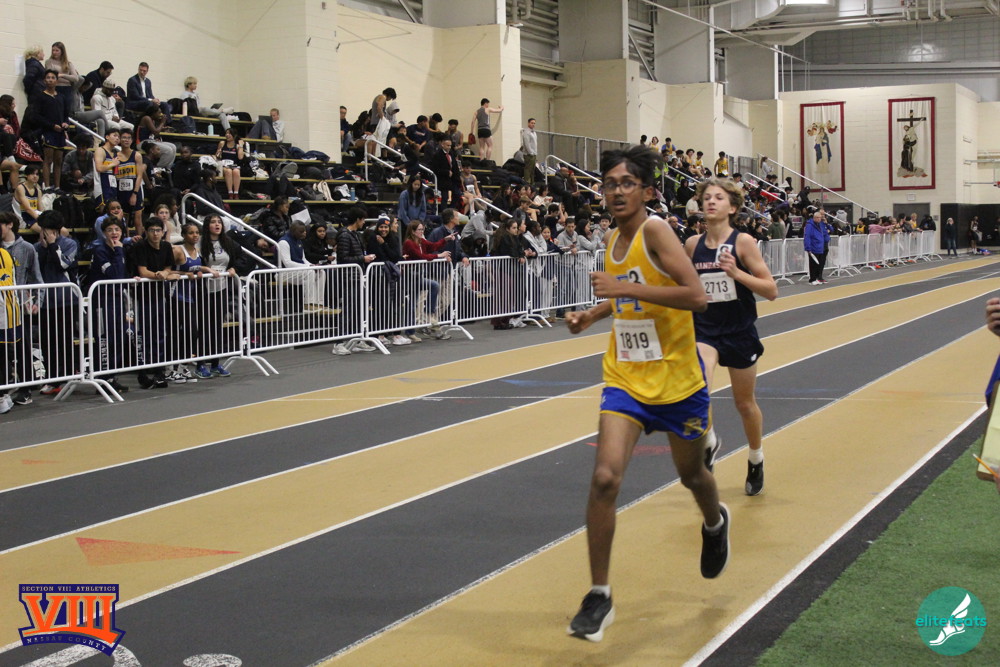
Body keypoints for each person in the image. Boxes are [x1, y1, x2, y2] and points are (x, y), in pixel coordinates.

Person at [565, 146, 727, 643]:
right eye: (609, 184)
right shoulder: (612, 238)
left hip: (678, 384)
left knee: (692, 476)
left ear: (647, 191)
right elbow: (628, 293)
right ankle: (599, 595)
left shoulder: (656, 231)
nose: (616, 192)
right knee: (605, 478)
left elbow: (696, 296)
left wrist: (620, 290)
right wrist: (592, 314)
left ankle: (714, 522)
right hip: (626, 378)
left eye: (626, 184)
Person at [686, 177, 778, 496]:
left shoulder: (743, 243)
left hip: (739, 331)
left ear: (733, 207)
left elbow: (771, 290)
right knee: (697, 390)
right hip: (705, 331)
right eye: (707, 197)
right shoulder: (692, 245)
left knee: (744, 403)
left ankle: (756, 458)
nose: (711, 201)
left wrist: (737, 273)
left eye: (719, 198)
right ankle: (709, 441)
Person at [34, 210, 79, 395]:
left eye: (48, 230)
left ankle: (67, 375)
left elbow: (63, 265)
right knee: (47, 341)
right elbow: (37, 271)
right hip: (46, 302)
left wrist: (52, 246)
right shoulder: (37, 247)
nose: (44, 233)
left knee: (65, 339)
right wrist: (44, 247)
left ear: (56, 230)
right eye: (42, 229)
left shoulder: (69, 244)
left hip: (66, 300)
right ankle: (53, 379)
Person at [197, 214, 241, 377]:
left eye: (219, 222)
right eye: (213, 222)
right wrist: (205, 269)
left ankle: (215, 364)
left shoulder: (227, 242)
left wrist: (233, 268)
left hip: (221, 287)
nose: (217, 225)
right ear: (207, 225)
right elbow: (194, 262)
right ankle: (200, 364)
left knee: (217, 326)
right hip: (203, 289)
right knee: (204, 327)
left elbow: (236, 260)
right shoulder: (200, 242)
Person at [37, 70, 69, 191]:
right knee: (48, 159)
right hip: (48, 131)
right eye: (48, 77)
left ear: (57, 80)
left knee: (58, 160)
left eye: (53, 77)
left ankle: (57, 186)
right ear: (44, 80)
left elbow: (66, 114)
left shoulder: (61, 97)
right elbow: (37, 116)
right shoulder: (40, 96)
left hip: (60, 133)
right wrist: (51, 126)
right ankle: (46, 186)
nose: (50, 80)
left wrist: (65, 123)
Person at [115, 128, 145, 234]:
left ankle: (140, 240)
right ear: (120, 139)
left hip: (134, 190)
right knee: (123, 220)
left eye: (129, 138)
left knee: (137, 219)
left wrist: (135, 193)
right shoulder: (115, 156)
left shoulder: (136, 155)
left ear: (132, 140)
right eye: (124, 137)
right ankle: (126, 240)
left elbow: (140, 175)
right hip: (120, 191)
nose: (126, 140)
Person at [215, 127, 245, 199]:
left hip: (234, 165)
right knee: (228, 171)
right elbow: (217, 156)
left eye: (229, 133)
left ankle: (236, 193)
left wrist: (241, 146)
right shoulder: (222, 143)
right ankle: (230, 192)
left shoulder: (237, 146)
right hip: (224, 165)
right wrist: (218, 152)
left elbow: (240, 157)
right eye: (226, 133)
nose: (227, 135)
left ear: (234, 135)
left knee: (236, 171)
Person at [804, 209, 829, 285]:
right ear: (814, 218)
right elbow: (807, 236)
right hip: (813, 247)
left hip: (820, 247)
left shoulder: (820, 225)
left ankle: (816, 278)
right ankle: (812, 279)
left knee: (818, 264)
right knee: (813, 264)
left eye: (820, 217)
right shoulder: (809, 225)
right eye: (817, 217)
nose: (819, 219)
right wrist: (808, 248)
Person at [14, 166, 43, 231]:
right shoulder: (20, 188)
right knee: (46, 229)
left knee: (63, 231)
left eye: (37, 174)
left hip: (34, 217)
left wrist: (45, 218)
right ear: (26, 175)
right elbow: (28, 209)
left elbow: (40, 209)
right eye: (32, 174)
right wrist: (42, 220)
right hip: (23, 219)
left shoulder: (38, 191)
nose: (35, 176)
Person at [521, 118, 538, 184]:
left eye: (534, 123)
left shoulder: (534, 132)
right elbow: (527, 143)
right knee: (528, 169)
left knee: (532, 170)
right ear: (528, 123)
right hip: (529, 154)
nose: (533, 124)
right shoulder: (526, 132)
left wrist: (535, 153)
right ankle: (527, 183)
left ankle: (532, 183)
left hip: (534, 153)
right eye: (532, 123)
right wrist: (531, 153)